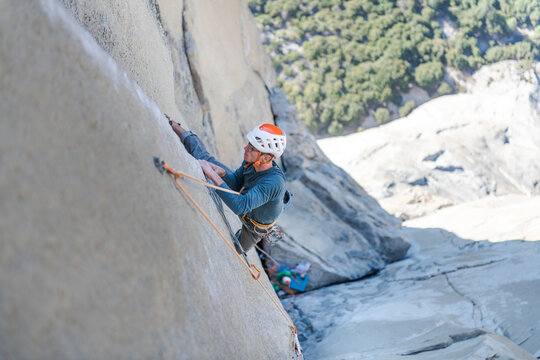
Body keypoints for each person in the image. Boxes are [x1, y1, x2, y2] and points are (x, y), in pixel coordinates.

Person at [169, 119, 290, 253]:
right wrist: (222, 173)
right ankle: (173, 125)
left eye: (251, 148)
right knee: (207, 160)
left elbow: (240, 206)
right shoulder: (251, 163)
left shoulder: (274, 183)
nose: (245, 148)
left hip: (254, 228)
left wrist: (212, 175)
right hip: (247, 200)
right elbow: (237, 183)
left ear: (266, 158)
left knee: (237, 248)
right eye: (249, 144)